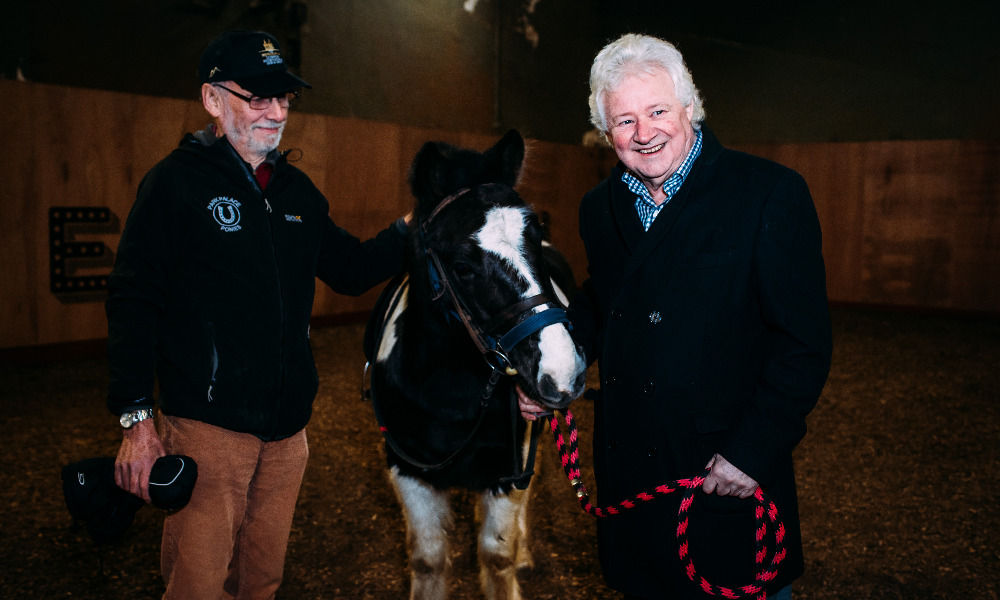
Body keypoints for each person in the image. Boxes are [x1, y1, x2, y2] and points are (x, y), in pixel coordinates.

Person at [520, 33, 832, 599]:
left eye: (658, 110)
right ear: (604, 130)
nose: (644, 133)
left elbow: (803, 344)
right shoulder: (601, 206)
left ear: (690, 107)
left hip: (723, 473)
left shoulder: (768, 194)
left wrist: (751, 452)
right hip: (633, 470)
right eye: (623, 120)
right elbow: (605, 299)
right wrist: (553, 373)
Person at [106, 29, 409, 599]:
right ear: (212, 99)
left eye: (284, 98)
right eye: (258, 97)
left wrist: (415, 229)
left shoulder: (298, 193)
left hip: (288, 434)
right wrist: (136, 419)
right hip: (209, 427)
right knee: (197, 585)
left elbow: (351, 269)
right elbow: (132, 300)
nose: (276, 112)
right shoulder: (175, 185)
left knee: (262, 582)